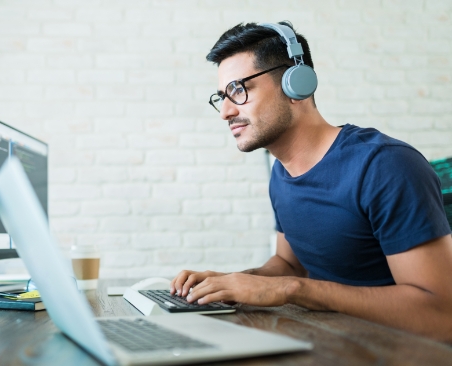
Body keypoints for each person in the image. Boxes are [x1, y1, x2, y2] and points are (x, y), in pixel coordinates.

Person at [170, 21, 452, 343]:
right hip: (331, 343)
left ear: (296, 85)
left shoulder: (385, 166)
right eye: (221, 96)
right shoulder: (282, 173)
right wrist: (230, 283)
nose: (225, 111)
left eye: (238, 90)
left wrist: (292, 290)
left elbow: (441, 315)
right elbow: (289, 265)